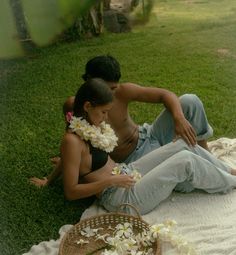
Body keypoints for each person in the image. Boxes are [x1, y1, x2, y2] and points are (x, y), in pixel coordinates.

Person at [56, 78, 236, 215]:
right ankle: (232, 183)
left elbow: (71, 161)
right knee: (185, 161)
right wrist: (111, 181)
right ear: (87, 106)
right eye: (103, 112)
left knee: (182, 145)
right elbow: (71, 191)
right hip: (119, 198)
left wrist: (49, 179)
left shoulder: (90, 125)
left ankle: (229, 170)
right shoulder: (71, 140)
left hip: (127, 172)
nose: (105, 118)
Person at [30, 55, 213, 187]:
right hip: (134, 158)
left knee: (190, 100)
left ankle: (208, 155)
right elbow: (73, 142)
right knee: (186, 177)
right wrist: (52, 176)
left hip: (149, 134)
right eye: (108, 88)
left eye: (114, 87)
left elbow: (165, 95)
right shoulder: (74, 106)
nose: (112, 93)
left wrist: (178, 118)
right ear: (92, 82)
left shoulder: (123, 91)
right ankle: (209, 168)